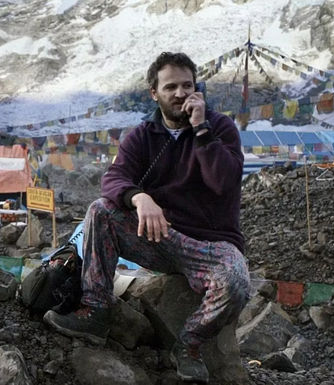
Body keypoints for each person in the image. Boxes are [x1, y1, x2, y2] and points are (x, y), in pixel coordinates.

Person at [43, 52, 250, 384]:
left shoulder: (219, 127)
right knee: (100, 210)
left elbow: (223, 182)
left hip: (208, 245)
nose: (180, 94)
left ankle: (189, 344)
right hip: (157, 235)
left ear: (197, 89)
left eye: (187, 85)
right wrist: (139, 197)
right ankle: (95, 309)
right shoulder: (143, 135)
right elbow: (113, 179)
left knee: (237, 280)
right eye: (171, 87)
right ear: (154, 93)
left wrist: (201, 129)